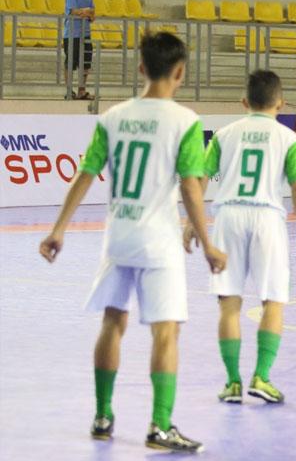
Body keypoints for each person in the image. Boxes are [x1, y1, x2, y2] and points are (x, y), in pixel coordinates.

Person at [38, 32, 226, 452]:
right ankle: (160, 427)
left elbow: (84, 173)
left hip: (117, 237)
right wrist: (208, 242)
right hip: (158, 241)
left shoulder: (113, 117)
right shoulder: (185, 121)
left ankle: (102, 416)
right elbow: (191, 187)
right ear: (180, 72)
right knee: (166, 332)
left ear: (141, 68)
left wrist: (59, 228)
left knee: (113, 323)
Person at [184, 69, 296, 405]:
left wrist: (190, 224)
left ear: (244, 102)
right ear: (281, 103)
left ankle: (232, 383)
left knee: (229, 304)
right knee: (273, 301)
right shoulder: (290, 139)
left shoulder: (224, 135)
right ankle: (262, 377)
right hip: (267, 218)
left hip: (228, 217)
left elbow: (200, 179)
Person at [63, 0, 95, 100]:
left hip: (85, 32)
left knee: (86, 62)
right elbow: (73, 11)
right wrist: (87, 11)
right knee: (71, 62)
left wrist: (86, 12)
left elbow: (92, 13)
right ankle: (69, 90)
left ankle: (82, 90)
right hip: (72, 33)